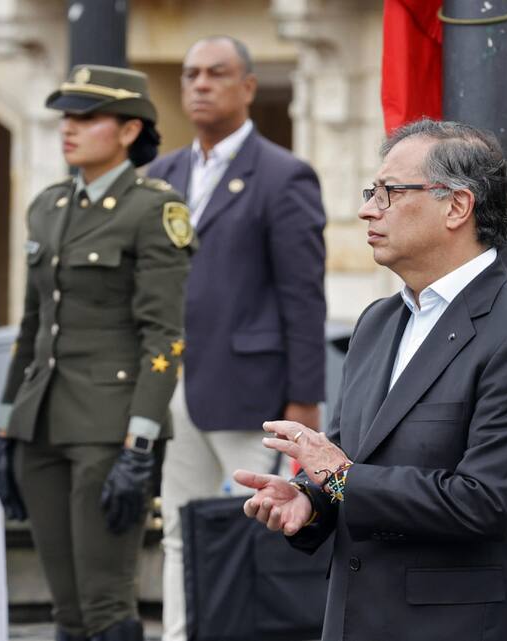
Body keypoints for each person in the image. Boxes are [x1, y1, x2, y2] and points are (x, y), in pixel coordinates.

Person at [234, 119, 507, 641]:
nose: (370, 209)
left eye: (390, 192)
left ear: (457, 207)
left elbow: (482, 501)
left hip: (451, 624)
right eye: (373, 192)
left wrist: (338, 478)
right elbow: (351, 456)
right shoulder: (377, 321)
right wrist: (308, 499)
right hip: (354, 617)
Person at [0, 65, 195, 641]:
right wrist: (6, 426)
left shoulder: (154, 209)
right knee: (67, 611)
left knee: (106, 605)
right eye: (66, 117)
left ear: (130, 130)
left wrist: (140, 443)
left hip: (109, 430)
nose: (69, 128)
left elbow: (164, 336)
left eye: (86, 117)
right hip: (42, 426)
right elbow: (32, 328)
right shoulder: (48, 206)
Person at [146, 35, 326, 641]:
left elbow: (303, 297)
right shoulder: (163, 173)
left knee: (259, 530)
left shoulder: (283, 175)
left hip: (254, 396)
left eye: (216, 73)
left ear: (247, 87)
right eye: (191, 73)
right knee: (179, 529)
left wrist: (304, 401)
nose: (199, 84)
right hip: (175, 390)